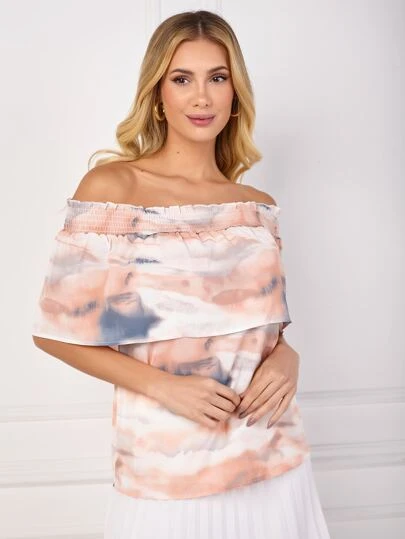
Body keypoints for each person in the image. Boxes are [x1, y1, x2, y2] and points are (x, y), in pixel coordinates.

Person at [32, 9, 331, 539]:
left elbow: (265, 333)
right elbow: (54, 333)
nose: (202, 97)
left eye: (217, 78)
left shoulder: (256, 207)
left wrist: (289, 358)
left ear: (235, 93)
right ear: (158, 94)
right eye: (182, 79)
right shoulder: (113, 189)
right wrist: (164, 387)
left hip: (273, 454)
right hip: (167, 468)